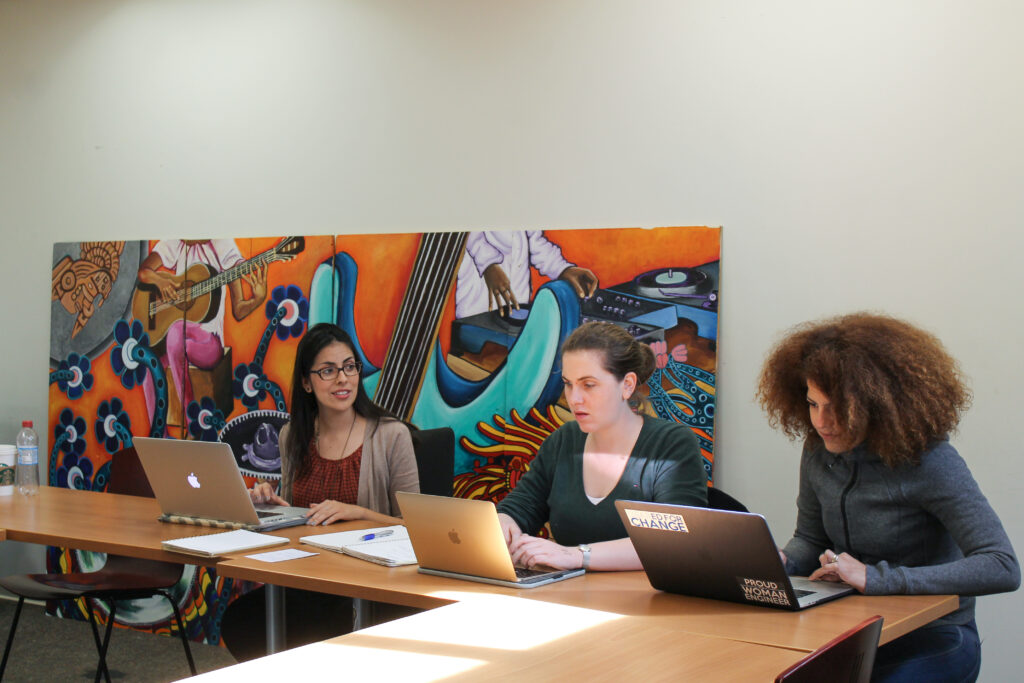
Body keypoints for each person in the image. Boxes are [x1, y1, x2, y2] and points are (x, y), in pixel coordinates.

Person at [756, 312, 1019, 682]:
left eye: (838, 407)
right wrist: (778, 562)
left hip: (934, 635)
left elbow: (1002, 566)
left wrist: (875, 578)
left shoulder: (929, 460)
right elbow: (810, 538)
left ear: (876, 405)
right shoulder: (818, 450)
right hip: (848, 628)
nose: (822, 422)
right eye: (814, 404)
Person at [223, 322, 419, 659]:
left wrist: (358, 513)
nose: (343, 379)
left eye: (349, 367)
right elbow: (300, 517)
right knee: (241, 620)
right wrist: (272, 505)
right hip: (308, 578)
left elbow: (417, 527)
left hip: (367, 586)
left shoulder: (391, 436)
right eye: (328, 371)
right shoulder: (292, 435)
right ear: (306, 382)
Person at [496, 320, 707, 572]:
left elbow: (673, 541)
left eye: (588, 384)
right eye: (568, 383)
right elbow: (520, 506)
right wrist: (503, 524)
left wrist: (576, 556)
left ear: (627, 385)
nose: (574, 398)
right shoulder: (563, 440)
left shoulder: (671, 445)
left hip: (647, 603)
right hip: (569, 598)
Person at [137, 239, 268, 430]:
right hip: (176, 344)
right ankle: (159, 433)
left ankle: (192, 421)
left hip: (208, 344)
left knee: (175, 331)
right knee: (149, 363)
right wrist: (161, 280)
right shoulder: (176, 242)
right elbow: (144, 272)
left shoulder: (222, 245)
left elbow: (238, 310)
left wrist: (258, 298)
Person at [455, 230, 599, 318]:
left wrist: (563, 269)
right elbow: (468, 233)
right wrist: (488, 265)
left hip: (518, 307)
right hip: (478, 308)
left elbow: (535, 242)